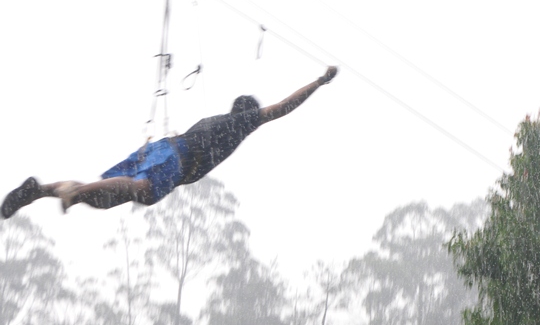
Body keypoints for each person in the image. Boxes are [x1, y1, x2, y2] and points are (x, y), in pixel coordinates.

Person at [1, 66, 338, 218]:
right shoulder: (242, 123)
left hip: (162, 148)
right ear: (250, 114)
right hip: (176, 160)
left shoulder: (214, 121)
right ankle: (71, 194)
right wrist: (319, 82)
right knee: (142, 191)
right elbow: (283, 107)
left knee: (104, 195)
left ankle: (42, 190)